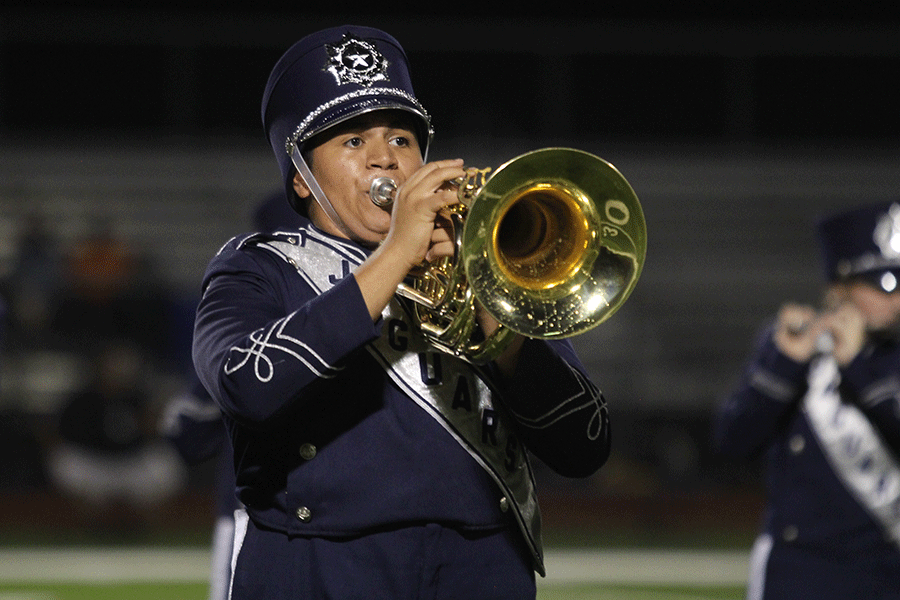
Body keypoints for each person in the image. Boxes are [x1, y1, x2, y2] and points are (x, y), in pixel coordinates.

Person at [192, 25, 611, 599]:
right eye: (353, 142)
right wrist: (394, 257)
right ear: (301, 179)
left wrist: (496, 316)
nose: (386, 157)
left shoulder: (481, 269)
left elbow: (584, 444)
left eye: (401, 138)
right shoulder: (258, 267)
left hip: (484, 565)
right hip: (323, 564)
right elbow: (246, 385)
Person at [715, 201, 900, 599]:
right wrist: (784, 364)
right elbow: (732, 442)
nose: (897, 300)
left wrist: (859, 372)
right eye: (885, 286)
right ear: (839, 288)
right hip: (798, 572)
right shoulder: (796, 346)